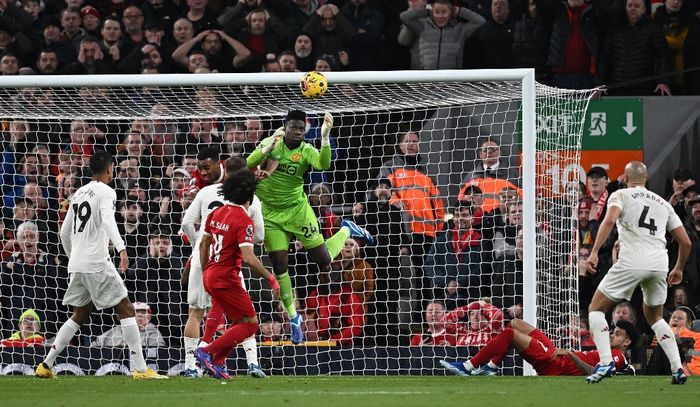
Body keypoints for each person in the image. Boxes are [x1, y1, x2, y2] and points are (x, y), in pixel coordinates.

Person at [34, 151, 167, 379]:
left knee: (80, 313)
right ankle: (142, 370)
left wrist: (74, 256)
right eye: (113, 168)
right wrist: (121, 247)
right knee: (126, 308)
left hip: (77, 263)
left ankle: (45, 365)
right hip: (96, 262)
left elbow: (64, 233)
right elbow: (107, 219)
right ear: (109, 169)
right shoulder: (107, 191)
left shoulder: (77, 193)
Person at [246, 109, 374, 345]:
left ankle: (346, 228)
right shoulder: (272, 143)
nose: (296, 131)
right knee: (279, 265)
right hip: (270, 213)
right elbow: (248, 163)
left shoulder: (306, 151)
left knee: (323, 260)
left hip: (297, 211)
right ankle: (294, 317)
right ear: (285, 126)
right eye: (293, 126)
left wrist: (325, 137)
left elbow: (324, 164)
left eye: (300, 128)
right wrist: (265, 149)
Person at [585, 161, 691, 384]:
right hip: (659, 264)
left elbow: (610, 219)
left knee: (595, 309)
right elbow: (686, 242)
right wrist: (678, 268)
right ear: (646, 178)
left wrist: (594, 252)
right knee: (656, 318)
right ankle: (677, 369)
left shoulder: (621, 195)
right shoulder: (663, 203)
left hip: (632, 260)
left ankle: (606, 362)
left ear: (625, 176)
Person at [181, 156, 267, 378]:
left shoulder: (205, 192)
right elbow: (258, 236)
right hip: (230, 263)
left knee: (195, 312)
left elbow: (186, 224)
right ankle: (252, 363)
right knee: (244, 316)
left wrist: (195, 244)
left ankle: (191, 366)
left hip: (204, 259)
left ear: (224, 171)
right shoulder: (252, 199)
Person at [194, 169, 280, 379]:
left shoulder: (216, 212)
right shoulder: (244, 221)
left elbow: (204, 243)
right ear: (251, 195)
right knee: (250, 325)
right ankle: (207, 350)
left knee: (237, 320)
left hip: (211, 274)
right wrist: (270, 278)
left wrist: (206, 270)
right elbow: (249, 258)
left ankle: (220, 362)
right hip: (227, 278)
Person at [440, 318, 638, 376]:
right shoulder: (607, 351)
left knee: (510, 334)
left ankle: (467, 366)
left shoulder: (617, 357)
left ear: (627, 343)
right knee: (516, 323)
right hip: (557, 355)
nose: (612, 334)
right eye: (613, 331)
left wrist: (570, 354)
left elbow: (596, 372)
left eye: (618, 334)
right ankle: (491, 367)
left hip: (555, 365)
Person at [90, 302, 165, 348]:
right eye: (136, 312)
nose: (140, 315)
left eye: (143, 312)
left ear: (149, 316)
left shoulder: (153, 332)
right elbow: (95, 346)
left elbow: (159, 351)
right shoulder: (116, 330)